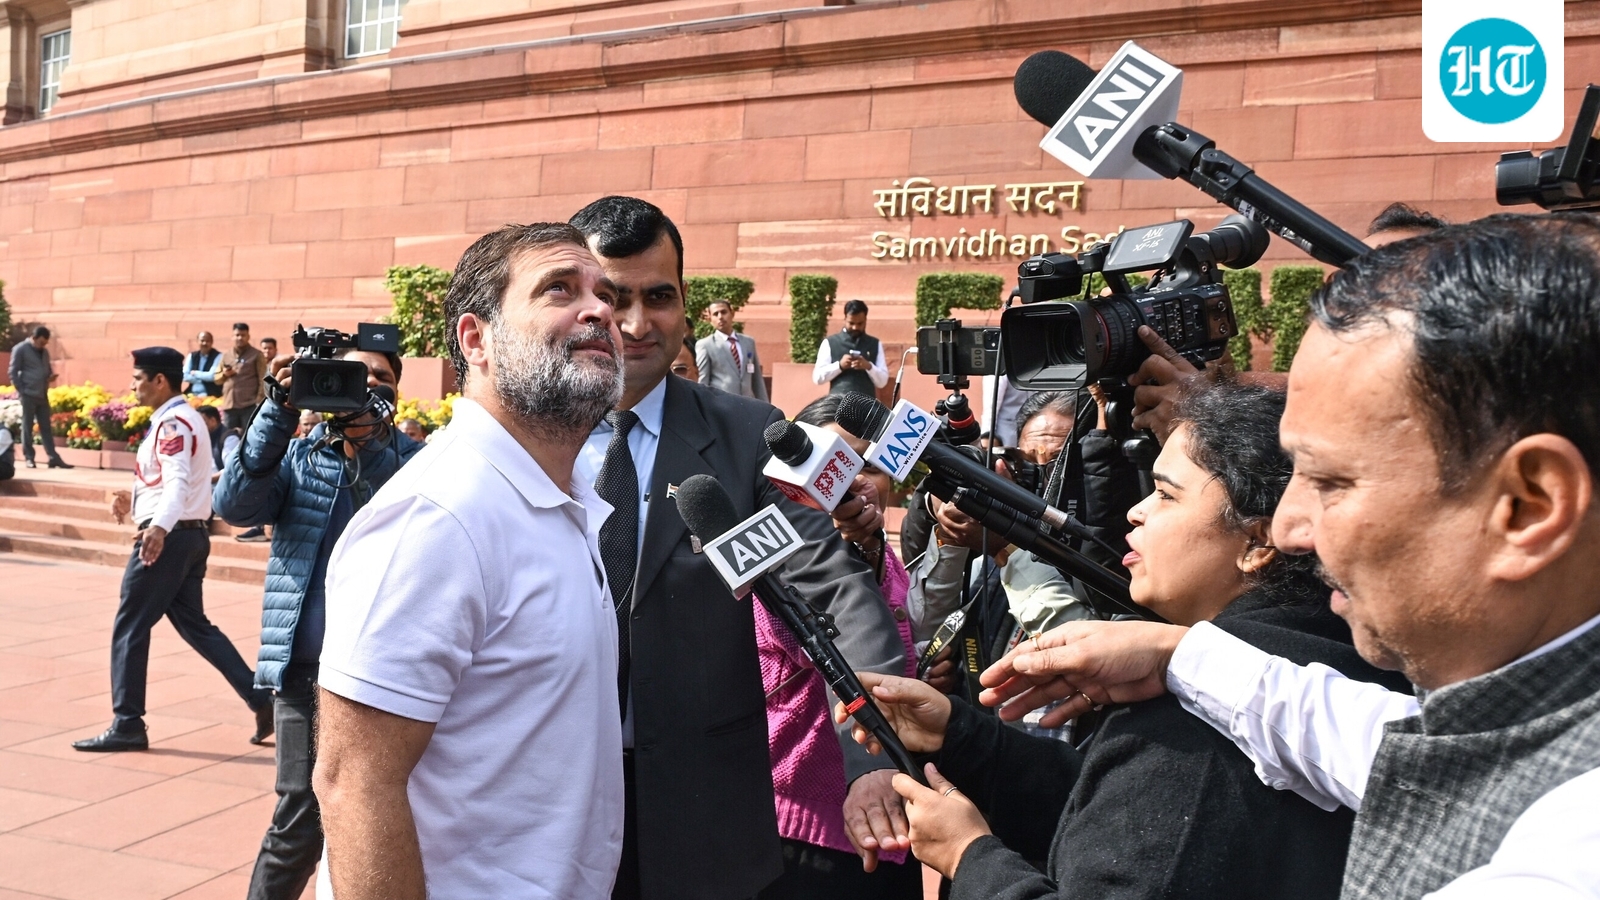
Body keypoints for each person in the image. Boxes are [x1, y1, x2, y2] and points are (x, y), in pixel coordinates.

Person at [982, 214, 1600, 899]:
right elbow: (1384, 744)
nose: (1289, 527)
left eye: (1330, 480)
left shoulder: (1564, 864)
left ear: (1529, 505)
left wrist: (972, 860)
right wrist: (1178, 657)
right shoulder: (1521, 727)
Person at [848, 380, 1407, 899]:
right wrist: (961, 735)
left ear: (1259, 543)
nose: (1137, 512)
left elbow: (1157, 813)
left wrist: (969, 857)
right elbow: (1116, 809)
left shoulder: (1196, 723)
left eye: (1165, 494)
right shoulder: (1339, 658)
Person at [568, 196, 910, 900]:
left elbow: (832, 592)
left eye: (659, 297)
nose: (638, 324)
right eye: (615, 298)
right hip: (548, 810)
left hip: (704, 823)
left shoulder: (746, 436)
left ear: (685, 303)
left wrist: (871, 757)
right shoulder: (523, 433)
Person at [312, 223, 626, 899]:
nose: (600, 310)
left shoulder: (563, 498)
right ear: (476, 340)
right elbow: (354, 784)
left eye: (605, 294)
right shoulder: (438, 518)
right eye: (559, 289)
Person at [215, 344, 422, 900]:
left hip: (389, 671)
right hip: (304, 670)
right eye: (356, 374)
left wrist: (368, 443)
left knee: (395, 812)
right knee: (299, 821)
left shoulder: (417, 463)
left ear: (397, 389)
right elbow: (235, 506)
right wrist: (276, 412)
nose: (369, 383)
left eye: (381, 375)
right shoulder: (299, 457)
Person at [752, 394, 921, 900]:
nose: (856, 480)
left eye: (868, 465)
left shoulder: (882, 554)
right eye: (833, 466)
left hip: (891, 815)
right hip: (805, 834)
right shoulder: (779, 558)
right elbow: (831, 640)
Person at [71, 347, 272, 752]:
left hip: (171, 537)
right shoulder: (182, 418)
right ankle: (259, 698)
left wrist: (157, 528)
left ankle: (128, 723)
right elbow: (171, 481)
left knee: (130, 626)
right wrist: (135, 501)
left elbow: (178, 481)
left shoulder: (173, 423)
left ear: (160, 381)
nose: (133, 387)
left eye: (138, 379)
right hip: (189, 536)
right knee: (195, 625)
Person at [8, 325, 71, 469]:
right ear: (34, 338)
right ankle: (29, 457)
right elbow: (13, 371)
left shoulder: (44, 352)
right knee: (27, 427)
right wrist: (22, 390)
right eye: (41, 342)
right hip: (28, 394)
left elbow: (47, 368)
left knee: (46, 427)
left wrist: (50, 377)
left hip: (42, 393)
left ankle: (53, 457)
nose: (42, 345)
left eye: (45, 343)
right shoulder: (20, 349)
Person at [812, 300, 888, 398]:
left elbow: (882, 382)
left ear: (866, 320)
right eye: (851, 323)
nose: (855, 327)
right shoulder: (830, 342)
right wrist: (840, 366)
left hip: (866, 403)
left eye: (860, 324)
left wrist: (869, 366)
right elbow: (818, 378)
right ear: (845, 319)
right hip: (838, 403)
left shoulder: (875, 344)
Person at [696, 299, 768, 401]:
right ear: (710, 319)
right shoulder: (706, 345)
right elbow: (703, 379)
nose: (720, 317)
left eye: (724, 312)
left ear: (732, 313)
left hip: (747, 402)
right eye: (715, 314)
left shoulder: (748, 342)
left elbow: (757, 379)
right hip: (721, 403)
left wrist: (765, 404)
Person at [217, 323, 268, 432]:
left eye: (243, 335)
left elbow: (263, 379)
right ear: (232, 336)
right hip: (229, 405)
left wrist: (258, 400)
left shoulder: (256, 355)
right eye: (237, 335)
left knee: (249, 435)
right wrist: (225, 374)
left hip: (248, 405)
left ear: (248, 337)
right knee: (228, 436)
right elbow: (217, 379)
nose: (240, 338)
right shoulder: (226, 355)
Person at [184, 331, 223, 397]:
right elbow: (185, 376)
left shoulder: (218, 356)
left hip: (210, 395)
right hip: (192, 393)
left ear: (212, 342)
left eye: (207, 341)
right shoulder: (192, 356)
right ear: (197, 341)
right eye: (202, 341)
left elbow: (212, 376)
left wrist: (195, 373)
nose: (204, 343)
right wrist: (203, 379)